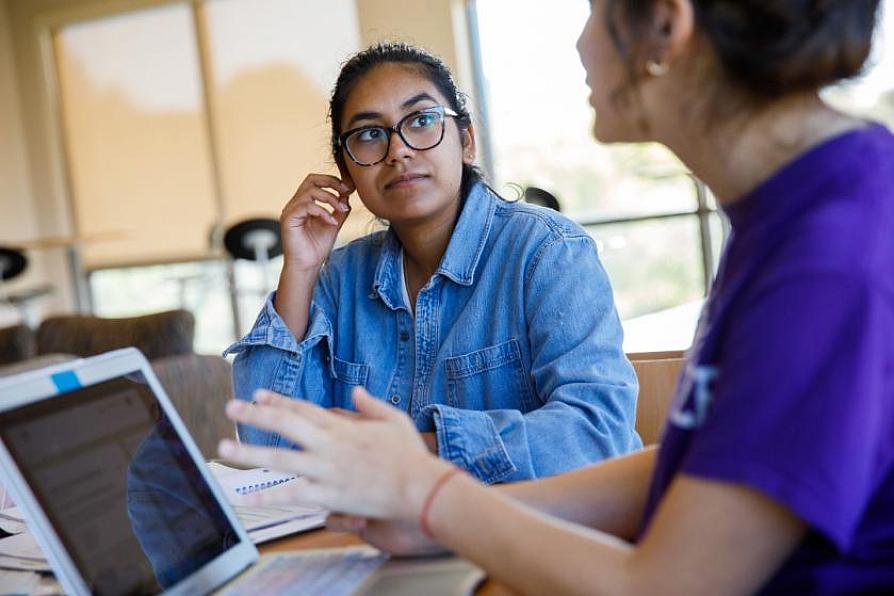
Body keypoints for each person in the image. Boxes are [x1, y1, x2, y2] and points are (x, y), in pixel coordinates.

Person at [219, 0, 894, 592]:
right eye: (369, 136)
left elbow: (669, 584)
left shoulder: (830, 252)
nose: (578, 42)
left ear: (665, 24)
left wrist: (428, 489)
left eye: (594, 8)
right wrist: (435, 518)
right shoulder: (793, 209)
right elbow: (700, 462)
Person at [223, 42, 641, 483]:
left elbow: (598, 436)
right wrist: (301, 268)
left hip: (528, 534)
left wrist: (417, 451)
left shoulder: (546, 252)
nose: (397, 150)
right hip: (383, 540)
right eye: (369, 134)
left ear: (466, 141)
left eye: (421, 121)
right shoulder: (340, 278)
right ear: (347, 171)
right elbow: (267, 448)